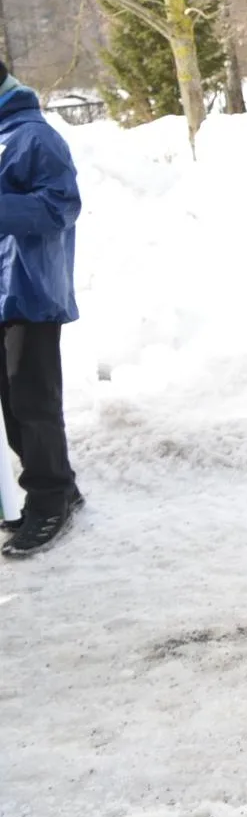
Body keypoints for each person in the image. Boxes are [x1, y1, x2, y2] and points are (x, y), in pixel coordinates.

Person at [0, 60, 83, 560]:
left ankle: (51, 500)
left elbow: (61, 206)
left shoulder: (34, 136)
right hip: (3, 292)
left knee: (33, 404)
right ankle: (59, 486)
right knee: (13, 407)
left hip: (29, 293)